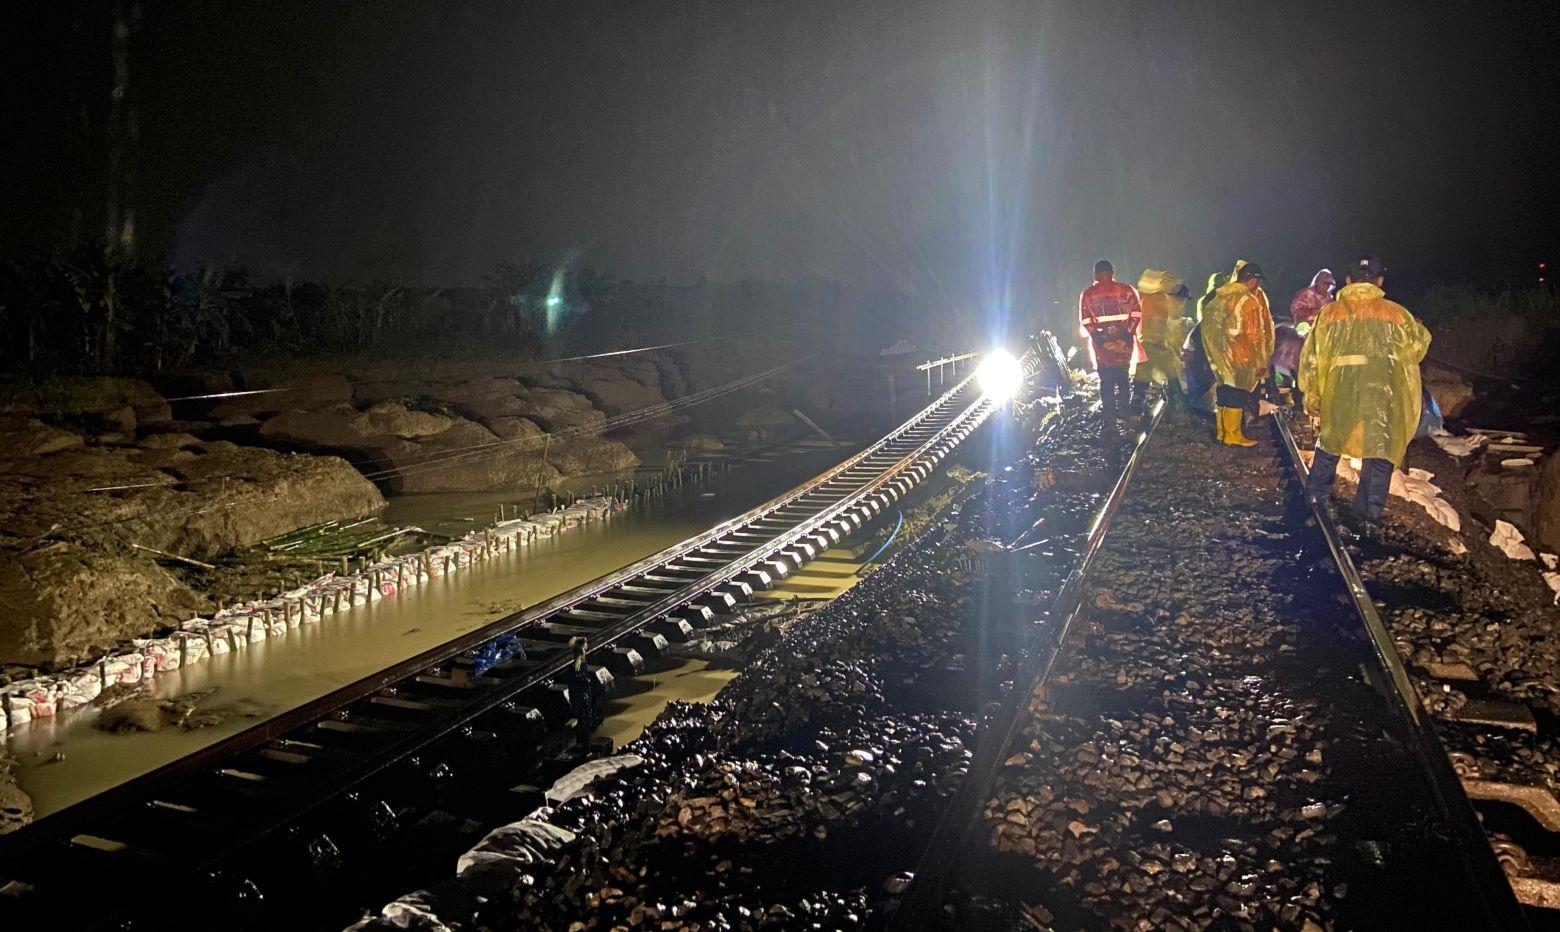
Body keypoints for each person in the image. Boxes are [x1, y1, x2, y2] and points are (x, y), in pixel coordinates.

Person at [1298, 255, 1430, 522]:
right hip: (1382, 396)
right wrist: (1421, 328)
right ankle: (1367, 516)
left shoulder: (1328, 314)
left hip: (1340, 393)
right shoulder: (1397, 314)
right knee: (1379, 451)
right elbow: (1416, 350)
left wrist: (1312, 396)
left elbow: (1312, 359)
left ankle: (1315, 499)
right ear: (1380, 280)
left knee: (1330, 443)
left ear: (1348, 280)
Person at [1200, 263, 1274, 446]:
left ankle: (1222, 432)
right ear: (1252, 280)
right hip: (1241, 355)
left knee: (1224, 390)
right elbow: (1254, 335)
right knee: (1236, 393)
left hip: (1220, 355)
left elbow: (1207, 327)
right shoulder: (1248, 300)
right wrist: (1262, 360)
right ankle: (1233, 435)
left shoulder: (1219, 297)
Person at [1079, 259, 1143, 440]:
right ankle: (1126, 417)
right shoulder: (1127, 290)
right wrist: (1125, 337)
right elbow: (1136, 314)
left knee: (1106, 382)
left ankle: (1110, 422)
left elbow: (1085, 321)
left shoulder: (1088, 294)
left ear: (1095, 275)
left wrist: (1100, 339)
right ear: (1113, 272)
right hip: (1124, 345)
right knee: (1123, 379)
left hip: (1102, 347)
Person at [1136, 269, 1192, 410]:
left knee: (1144, 374)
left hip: (1149, 344)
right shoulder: (1157, 302)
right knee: (1168, 371)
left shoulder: (1151, 299)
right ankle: (1178, 404)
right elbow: (1155, 325)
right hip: (1152, 344)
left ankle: (1136, 407)